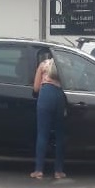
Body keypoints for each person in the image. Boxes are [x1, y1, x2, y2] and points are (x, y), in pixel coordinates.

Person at [30, 51, 67, 180]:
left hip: (46, 95)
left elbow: (35, 88)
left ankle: (39, 170)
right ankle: (58, 171)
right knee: (59, 135)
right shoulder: (64, 66)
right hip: (59, 97)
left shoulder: (43, 64)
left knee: (42, 134)